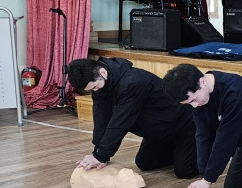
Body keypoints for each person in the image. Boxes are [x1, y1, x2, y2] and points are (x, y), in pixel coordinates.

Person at [68, 57, 198, 179]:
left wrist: (101, 156)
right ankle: (182, 151)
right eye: (91, 89)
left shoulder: (132, 82)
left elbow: (120, 122)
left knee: (184, 171)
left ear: (102, 72)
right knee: (145, 163)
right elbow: (101, 119)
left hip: (182, 125)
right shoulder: (101, 87)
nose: (95, 91)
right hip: (158, 131)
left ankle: (203, 149)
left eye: (95, 86)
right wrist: (97, 153)